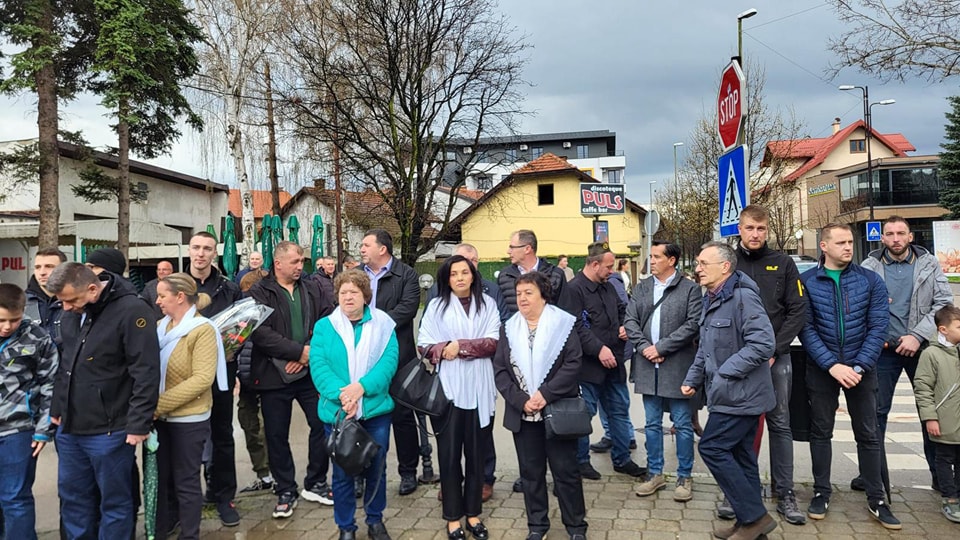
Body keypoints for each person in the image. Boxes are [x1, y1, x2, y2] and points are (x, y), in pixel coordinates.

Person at [799, 223, 900, 530]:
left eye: (850, 242)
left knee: (868, 433)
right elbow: (806, 328)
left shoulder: (870, 280)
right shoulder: (807, 282)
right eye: (840, 242)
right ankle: (821, 492)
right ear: (824, 246)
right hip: (823, 369)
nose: (847, 247)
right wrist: (832, 365)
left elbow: (878, 326)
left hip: (861, 370)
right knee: (821, 431)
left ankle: (876, 498)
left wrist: (858, 367)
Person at [47, 262, 160, 539]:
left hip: (110, 428)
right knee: (73, 499)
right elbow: (67, 363)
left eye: (70, 300)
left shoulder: (132, 310)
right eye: (61, 301)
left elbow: (145, 371)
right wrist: (57, 406)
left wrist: (138, 423)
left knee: (114, 502)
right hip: (70, 427)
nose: (65, 308)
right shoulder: (73, 311)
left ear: (93, 289)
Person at [680, 241, 777, 540]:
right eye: (697, 263)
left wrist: (724, 373)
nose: (697, 268)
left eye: (703, 263)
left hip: (742, 395)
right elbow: (705, 348)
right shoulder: (711, 297)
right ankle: (750, 524)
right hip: (727, 394)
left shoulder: (743, 297)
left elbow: (763, 344)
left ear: (725, 267)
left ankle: (755, 517)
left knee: (712, 447)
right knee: (741, 455)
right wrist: (693, 378)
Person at [858, 215, 950, 494]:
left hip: (922, 349)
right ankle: (873, 476)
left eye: (901, 233)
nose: (896, 239)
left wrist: (917, 335)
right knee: (876, 414)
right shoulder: (869, 267)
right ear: (881, 237)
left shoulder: (929, 264)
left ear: (910, 236)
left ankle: (940, 477)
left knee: (930, 412)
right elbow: (859, 306)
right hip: (883, 351)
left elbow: (944, 303)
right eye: (890, 234)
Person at [494, 272, 588, 540]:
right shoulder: (508, 328)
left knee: (566, 473)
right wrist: (521, 400)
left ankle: (576, 527)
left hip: (556, 411)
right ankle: (537, 526)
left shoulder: (563, 324)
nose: (522, 298)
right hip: (523, 415)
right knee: (531, 474)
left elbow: (573, 363)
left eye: (528, 293)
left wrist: (545, 394)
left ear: (543, 295)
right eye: (519, 293)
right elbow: (500, 370)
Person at [249, 241, 335, 518]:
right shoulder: (259, 291)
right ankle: (286, 489)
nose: (301, 266)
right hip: (273, 374)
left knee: (322, 424)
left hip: (309, 373)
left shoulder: (312, 288)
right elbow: (260, 332)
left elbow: (327, 319)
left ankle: (316, 482)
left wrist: (308, 351)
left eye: (301, 261)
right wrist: (297, 352)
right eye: (295, 261)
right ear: (278, 263)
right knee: (276, 435)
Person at [310, 269, 398, 540]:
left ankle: (375, 520)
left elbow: (388, 362)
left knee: (377, 470)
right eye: (343, 292)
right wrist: (344, 396)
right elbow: (319, 365)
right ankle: (346, 526)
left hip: (375, 410)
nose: (348, 297)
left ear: (365, 296)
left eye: (354, 292)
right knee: (342, 473)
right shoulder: (324, 327)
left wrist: (362, 388)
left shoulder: (383, 324)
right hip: (338, 412)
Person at [733, 204, 807, 525]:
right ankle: (739, 492)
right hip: (738, 359)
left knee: (780, 423)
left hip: (776, 358)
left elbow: (798, 310)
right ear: (740, 229)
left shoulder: (784, 263)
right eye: (750, 228)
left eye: (761, 229)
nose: (755, 234)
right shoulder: (728, 263)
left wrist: (774, 349)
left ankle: (784, 492)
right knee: (739, 425)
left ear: (767, 230)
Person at [419, 255, 500, 539]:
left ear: (473, 275)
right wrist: (444, 349)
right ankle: (453, 517)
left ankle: (474, 514)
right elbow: (424, 344)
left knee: (477, 455)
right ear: (447, 279)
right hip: (449, 391)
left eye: (464, 272)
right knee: (450, 455)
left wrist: (460, 347)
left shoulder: (488, 304)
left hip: (480, 389)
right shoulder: (436, 306)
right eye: (454, 274)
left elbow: (493, 342)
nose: (460, 278)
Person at [560, 242, 645, 481]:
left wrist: (624, 325)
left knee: (618, 412)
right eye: (608, 267)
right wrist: (598, 349)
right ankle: (581, 462)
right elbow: (576, 327)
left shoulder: (608, 287)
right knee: (583, 415)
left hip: (613, 364)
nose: (612, 271)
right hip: (587, 368)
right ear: (594, 264)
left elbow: (622, 310)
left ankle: (622, 459)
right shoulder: (573, 290)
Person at [626, 241, 701, 502]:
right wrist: (645, 348)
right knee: (651, 423)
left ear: (672, 260)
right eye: (652, 256)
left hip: (677, 366)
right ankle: (655, 473)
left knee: (682, 424)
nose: (652, 261)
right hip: (648, 366)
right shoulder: (642, 287)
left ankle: (684, 476)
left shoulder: (690, 289)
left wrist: (661, 347)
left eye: (657, 256)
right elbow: (630, 320)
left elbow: (693, 324)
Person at [153, 273, 227, 540]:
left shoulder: (202, 330)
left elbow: (202, 379)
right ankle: (163, 528)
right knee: (162, 481)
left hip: (188, 419)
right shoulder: (161, 326)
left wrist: (157, 404)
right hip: (159, 419)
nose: (157, 301)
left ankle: (190, 534)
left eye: (162, 295)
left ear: (180, 297)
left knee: (186, 481)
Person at [497, 229, 570, 493]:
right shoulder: (505, 276)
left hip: (552, 360)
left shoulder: (555, 274)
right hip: (519, 356)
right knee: (528, 439)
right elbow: (503, 313)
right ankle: (530, 475)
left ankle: (561, 478)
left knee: (557, 437)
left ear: (527, 248)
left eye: (512, 246)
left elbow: (565, 315)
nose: (508, 251)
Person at [359, 229, 422, 496]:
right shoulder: (357, 275)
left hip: (399, 356)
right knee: (362, 416)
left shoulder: (406, 275)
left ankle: (408, 472)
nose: (361, 249)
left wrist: (373, 327)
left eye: (366, 245)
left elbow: (407, 310)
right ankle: (360, 473)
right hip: (361, 355)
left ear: (382, 249)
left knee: (403, 416)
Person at [186, 231, 243, 526]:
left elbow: (243, 327)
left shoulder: (229, 289)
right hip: (183, 375)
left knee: (222, 435)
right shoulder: (174, 286)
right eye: (196, 247)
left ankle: (223, 496)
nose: (201, 253)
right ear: (189, 250)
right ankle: (186, 501)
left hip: (221, 372)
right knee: (185, 438)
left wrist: (233, 348)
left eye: (207, 248)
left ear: (214, 253)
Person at [0, 283, 58, 540]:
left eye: (14, 320)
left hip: (18, 430)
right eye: (1, 320)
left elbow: (51, 385)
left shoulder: (37, 337)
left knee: (15, 498)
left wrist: (44, 430)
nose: (7, 327)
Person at [914, 305, 960, 523]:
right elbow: (923, 387)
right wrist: (930, 417)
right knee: (944, 458)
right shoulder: (931, 354)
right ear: (943, 329)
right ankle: (949, 497)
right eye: (959, 327)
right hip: (944, 419)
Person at [235, 268, 274, 494]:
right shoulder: (241, 315)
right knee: (250, 426)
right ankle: (264, 475)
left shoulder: (267, 313)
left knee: (265, 429)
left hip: (264, 379)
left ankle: (271, 474)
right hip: (246, 380)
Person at [25, 247, 67, 349]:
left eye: (49, 266)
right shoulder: (20, 303)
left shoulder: (76, 302)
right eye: (37, 267)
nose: (42, 272)